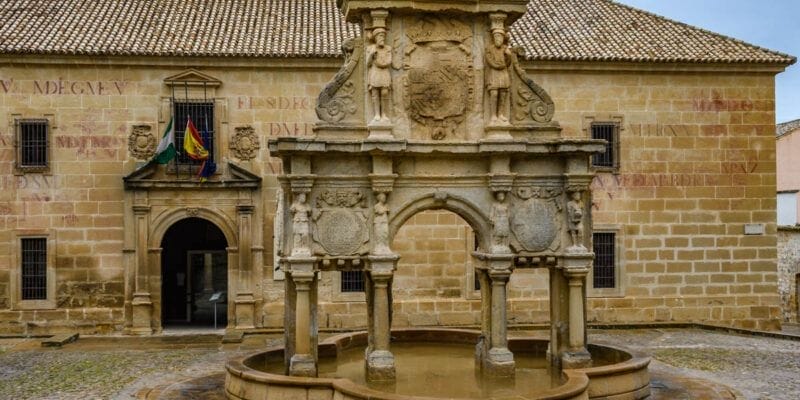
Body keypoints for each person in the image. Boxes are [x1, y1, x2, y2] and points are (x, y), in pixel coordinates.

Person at [484, 28, 512, 124]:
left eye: (500, 37)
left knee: (503, 93)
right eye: (496, 37)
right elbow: (490, 61)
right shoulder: (489, 49)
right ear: (493, 38)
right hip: (494, 73)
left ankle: (501, 114)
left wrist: (508, 56)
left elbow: (508, 63)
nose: (498, 40)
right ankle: (493, 115)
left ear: (503, 39)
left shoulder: (505, 49)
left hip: (503, 72)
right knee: (494, 93)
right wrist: (498, 65)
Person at [367, 27, 392, 123]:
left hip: (384, 72)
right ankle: (377, 114)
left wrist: (380, 63)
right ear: (376, 37)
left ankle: (384, 114)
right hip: (374, 72)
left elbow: (389, 61)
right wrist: (371, 55)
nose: (383, 38)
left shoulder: (388, 48)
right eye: (380, 36)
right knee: (375, 93)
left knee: (384, 92)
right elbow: (368, 63)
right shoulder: (371, 48)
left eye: (384, 36)